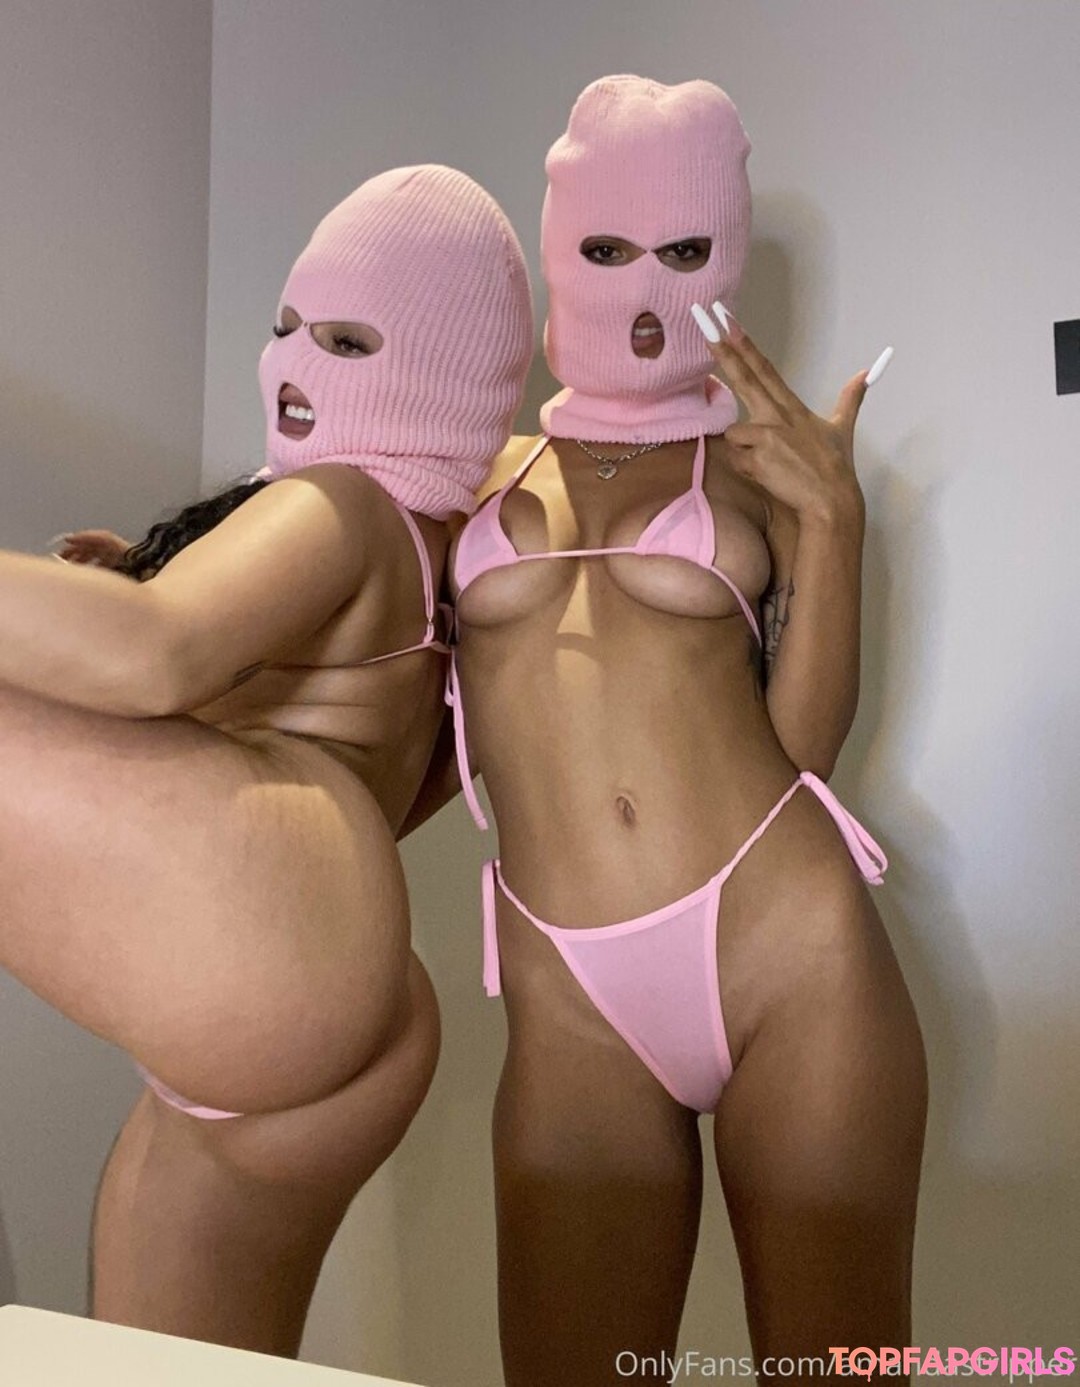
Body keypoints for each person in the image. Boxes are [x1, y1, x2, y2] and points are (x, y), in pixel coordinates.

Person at [423, 77, 926, 1385]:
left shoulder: (761, 469)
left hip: (788, 955)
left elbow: (801, 754)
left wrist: (836, 523)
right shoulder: (475, 473)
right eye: (605, 246)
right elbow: (409, 709)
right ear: (558, 246)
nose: (645, 287)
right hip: (568, 996)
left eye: (685, 249)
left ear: (727, 260)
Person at [0, 163, 533, 1356]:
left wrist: (130, 612)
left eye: (345, 340)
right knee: (161, 1368)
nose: (294, 363)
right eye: (285, 327)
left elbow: (153, 651)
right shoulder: (439, 546)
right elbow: (415, 773)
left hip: (282, 936)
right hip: (343, 986)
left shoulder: (341, 502)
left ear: (439, 374)